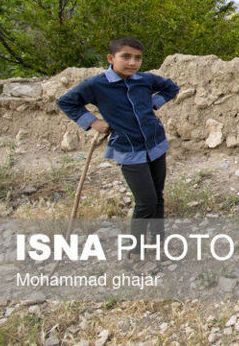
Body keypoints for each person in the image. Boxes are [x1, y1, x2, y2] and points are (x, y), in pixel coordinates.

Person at [57, 37, 180, 258]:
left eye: (138, 58)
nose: (132, 63)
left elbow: (171, 88)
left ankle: (159, 241)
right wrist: (93, 122)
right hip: (128, 149)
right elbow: (66, 101)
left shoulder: (144, 79)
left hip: (155, 144)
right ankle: (136, 251)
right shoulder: (97, 85)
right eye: (126, 57)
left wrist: (153, 104)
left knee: (158, 196)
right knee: (145, 202)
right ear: (111, 58)